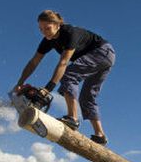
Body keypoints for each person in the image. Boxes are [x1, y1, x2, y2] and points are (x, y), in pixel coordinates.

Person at [14, 10, 115, 145]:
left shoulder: (70, 33)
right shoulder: (47, 41)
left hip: (102, 52)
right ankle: (100, 135)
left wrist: (48, 88)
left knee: (69, 75)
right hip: (106, 57)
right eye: (41, 29)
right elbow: (33, 62)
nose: (44, 32)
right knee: (87, 97)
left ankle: (72, 118)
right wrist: (20, 82)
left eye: (47, 28)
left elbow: (63, 62)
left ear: (57, 25)